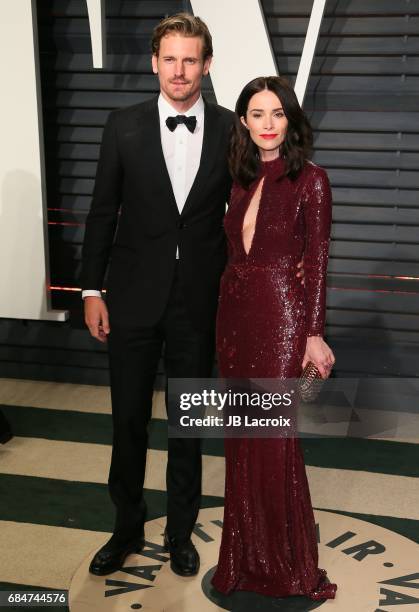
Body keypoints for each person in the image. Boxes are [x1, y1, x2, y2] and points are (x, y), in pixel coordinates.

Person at [81, 14, 304, 578]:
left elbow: (267, 199)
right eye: (170, 59)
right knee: (127, 420)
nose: (180, 71)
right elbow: (102, 212)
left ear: (207, 65)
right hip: (130, 298)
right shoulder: (122, 126)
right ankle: (126, 528)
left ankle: (180, 533)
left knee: (188, 422)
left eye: (191, 60)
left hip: (203, 304)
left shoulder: (235, 128)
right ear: (155, 62)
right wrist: (90, 288)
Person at [211, 76, 337, 600]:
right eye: (257, 114)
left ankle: (286, 564)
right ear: (243, 120)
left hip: (283, 317)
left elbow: (319, 262)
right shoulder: (237, 177)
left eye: (277, 114)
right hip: (234, 316)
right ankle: (242, 557)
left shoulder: (312, 180)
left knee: (274, 440)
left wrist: (312, 332)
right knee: (240, 439)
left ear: (290, 120)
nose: (267, 124)